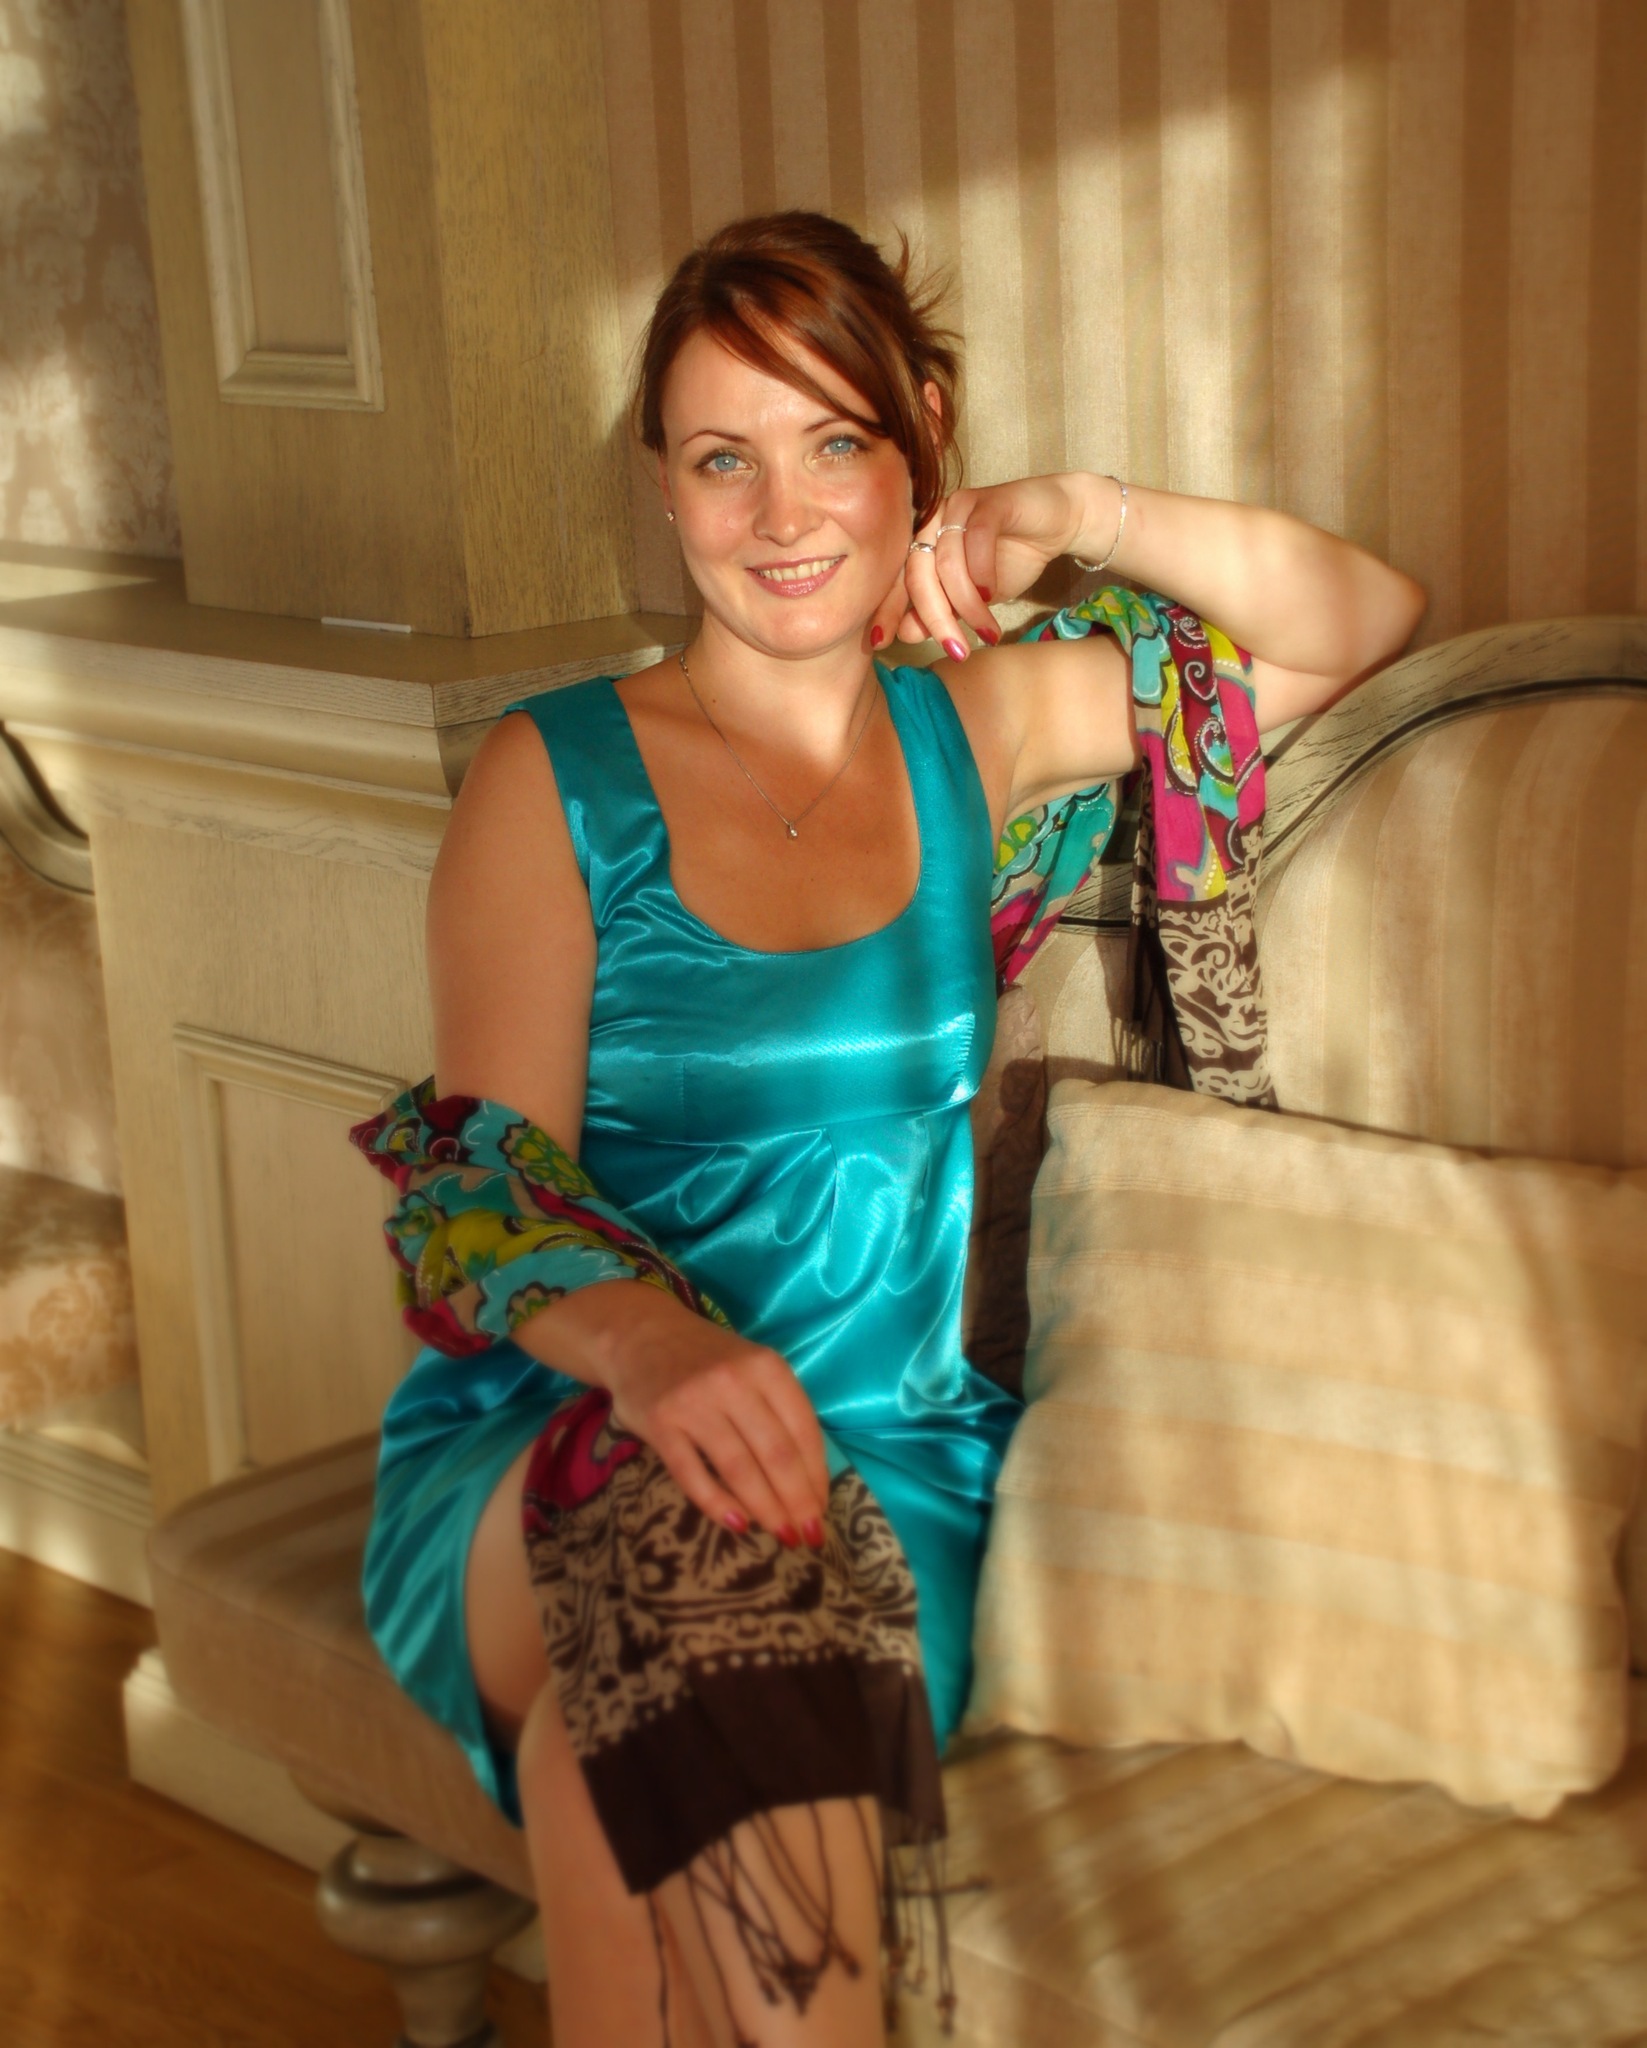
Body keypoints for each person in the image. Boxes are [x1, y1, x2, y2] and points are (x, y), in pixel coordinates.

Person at [356, 211, 1426, 2048]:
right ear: (665, 485)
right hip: (564, 1427)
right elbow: (485, 1192)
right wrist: (659, 1350)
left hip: (886, 1451)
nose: (782, 515)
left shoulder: (977, 736)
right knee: (678, 1550)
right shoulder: (554, 777)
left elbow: (1360, 620)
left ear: (920, 434)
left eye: (835, 442)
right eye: (723, 459)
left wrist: (1069, 512)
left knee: (676, 1682)